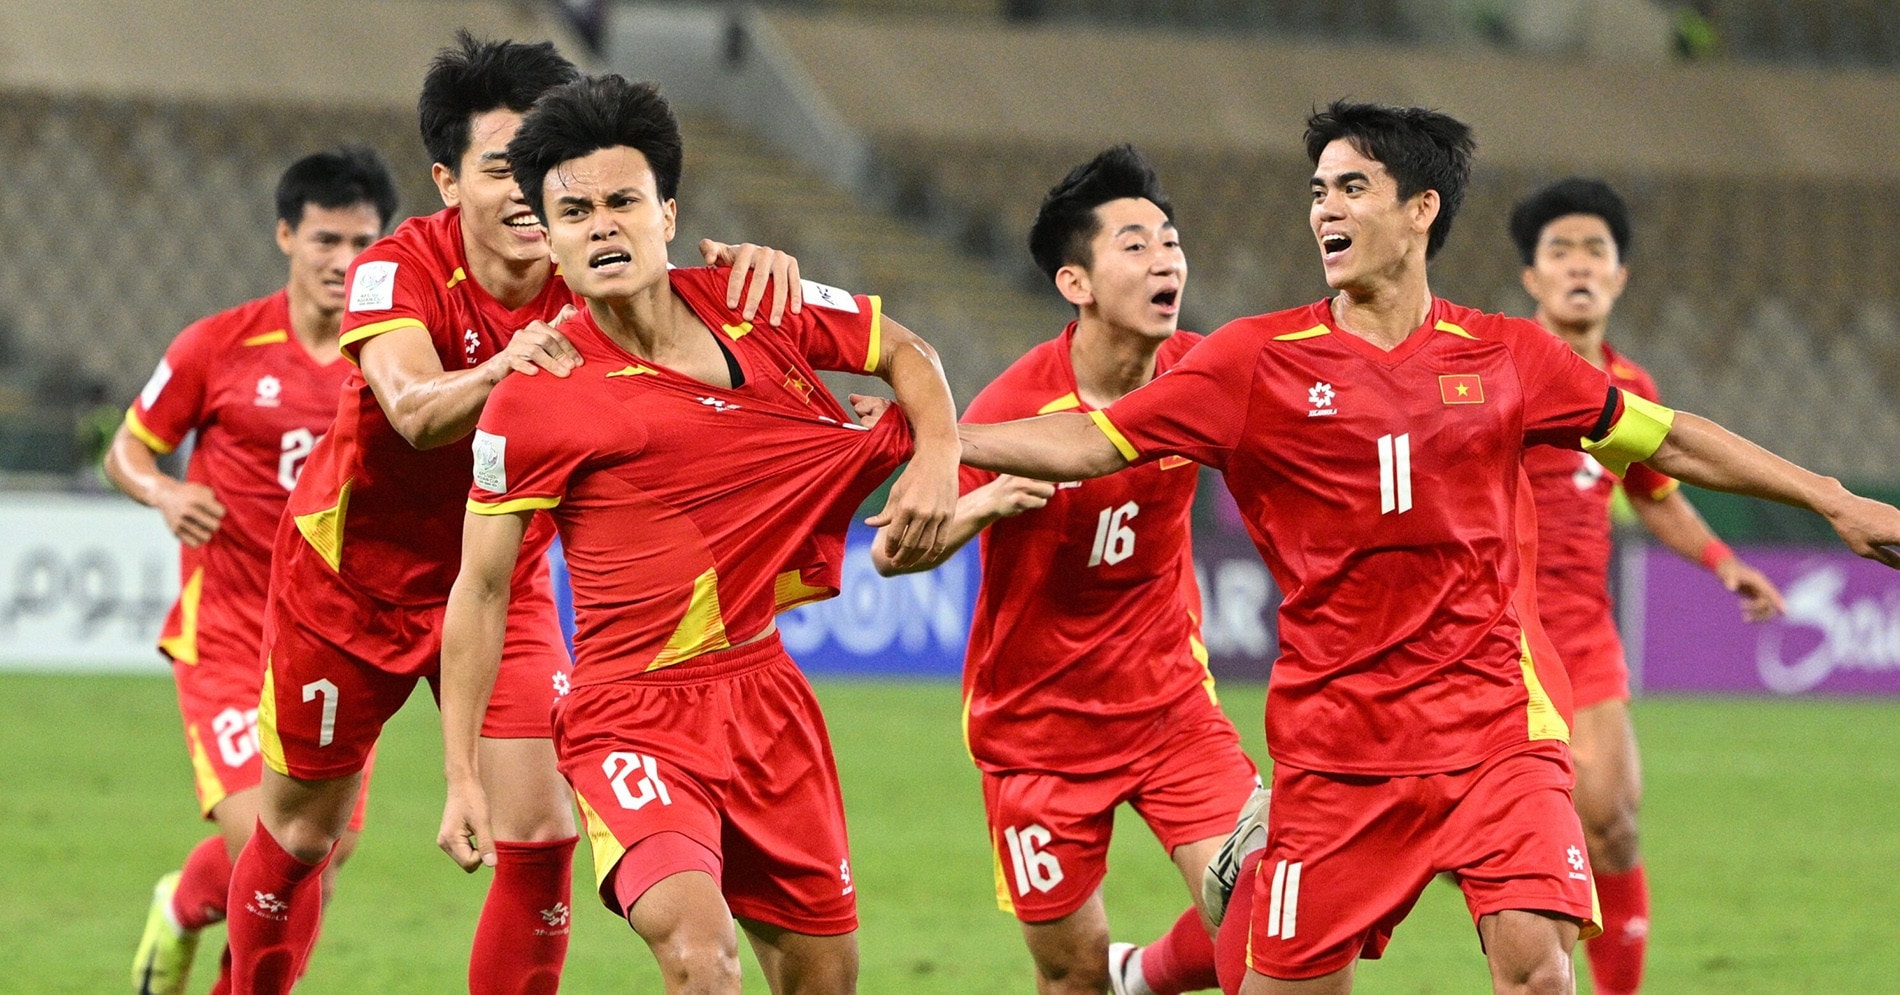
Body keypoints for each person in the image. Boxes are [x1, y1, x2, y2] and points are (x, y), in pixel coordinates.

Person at [955, 100, 1900, 994]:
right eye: (1318, 190)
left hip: (1492, 733)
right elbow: (1088, 439)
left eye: (1352, 187)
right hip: (1334, 756)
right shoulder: (1251, 361)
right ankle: (1144, 973)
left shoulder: (1508, 357)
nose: (1326, 206)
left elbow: (1668, 437)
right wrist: (934, 436)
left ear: (1420, 210)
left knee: (1539, 964)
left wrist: (1831, 497)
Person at [222, 35, 804, 994]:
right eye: (503, 168)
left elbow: (695, 309)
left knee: (542, 834)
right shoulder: (396, 270)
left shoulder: (591, 254)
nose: (534, 193)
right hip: (350, 586)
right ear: (449, 181)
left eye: (547, 168)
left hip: (505, 578)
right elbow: (409, 411)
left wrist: (756, 271)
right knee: (300, 834)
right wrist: (499, 368)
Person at [434, 73, 958, 994]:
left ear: (668, 212)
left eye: (623, 202)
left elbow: (910, 354)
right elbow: (480, 588)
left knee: (825, 981)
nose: (602, 226)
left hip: (766, 701)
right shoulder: (533, 398)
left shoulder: (757, 297)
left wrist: (939, 456)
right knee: (699, 955)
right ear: (548, 239)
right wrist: (462, 775)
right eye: (575, 211)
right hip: (629, 713)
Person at [870, 145, 1256, 995]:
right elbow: (892, 552)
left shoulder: (1204, 372)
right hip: (1035, 735)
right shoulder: (1012, 408)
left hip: (1169, 708)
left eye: (1170, 239)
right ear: (1075, 284)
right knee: (1071, 973)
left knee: (1262, 910)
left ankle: (1146, 976)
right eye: (1135, 244)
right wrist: (979, 507)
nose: (1166, 259)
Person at [109, 145, 398, 995]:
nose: (344, 263)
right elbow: (130, 447)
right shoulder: (219, 345)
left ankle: (179, 905)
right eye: (326, 241)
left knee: (318, 858)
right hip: (231, 639)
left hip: (339, 644)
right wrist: (162, 491)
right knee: (281, 855)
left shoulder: (389, 358)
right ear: (286, 236)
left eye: (363, 243)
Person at [1509, 177, 1784, 995]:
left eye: (1597, 249)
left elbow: (1655, 495)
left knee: (1616, 825)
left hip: (1584, 632)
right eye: (1560, 250)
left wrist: (1722, 561)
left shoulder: (1632, 386)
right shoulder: (1501, 368)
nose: (1580, 264)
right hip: (1501, 629)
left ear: (1621, 275)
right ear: (1532, 278)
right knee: (1495, 838)